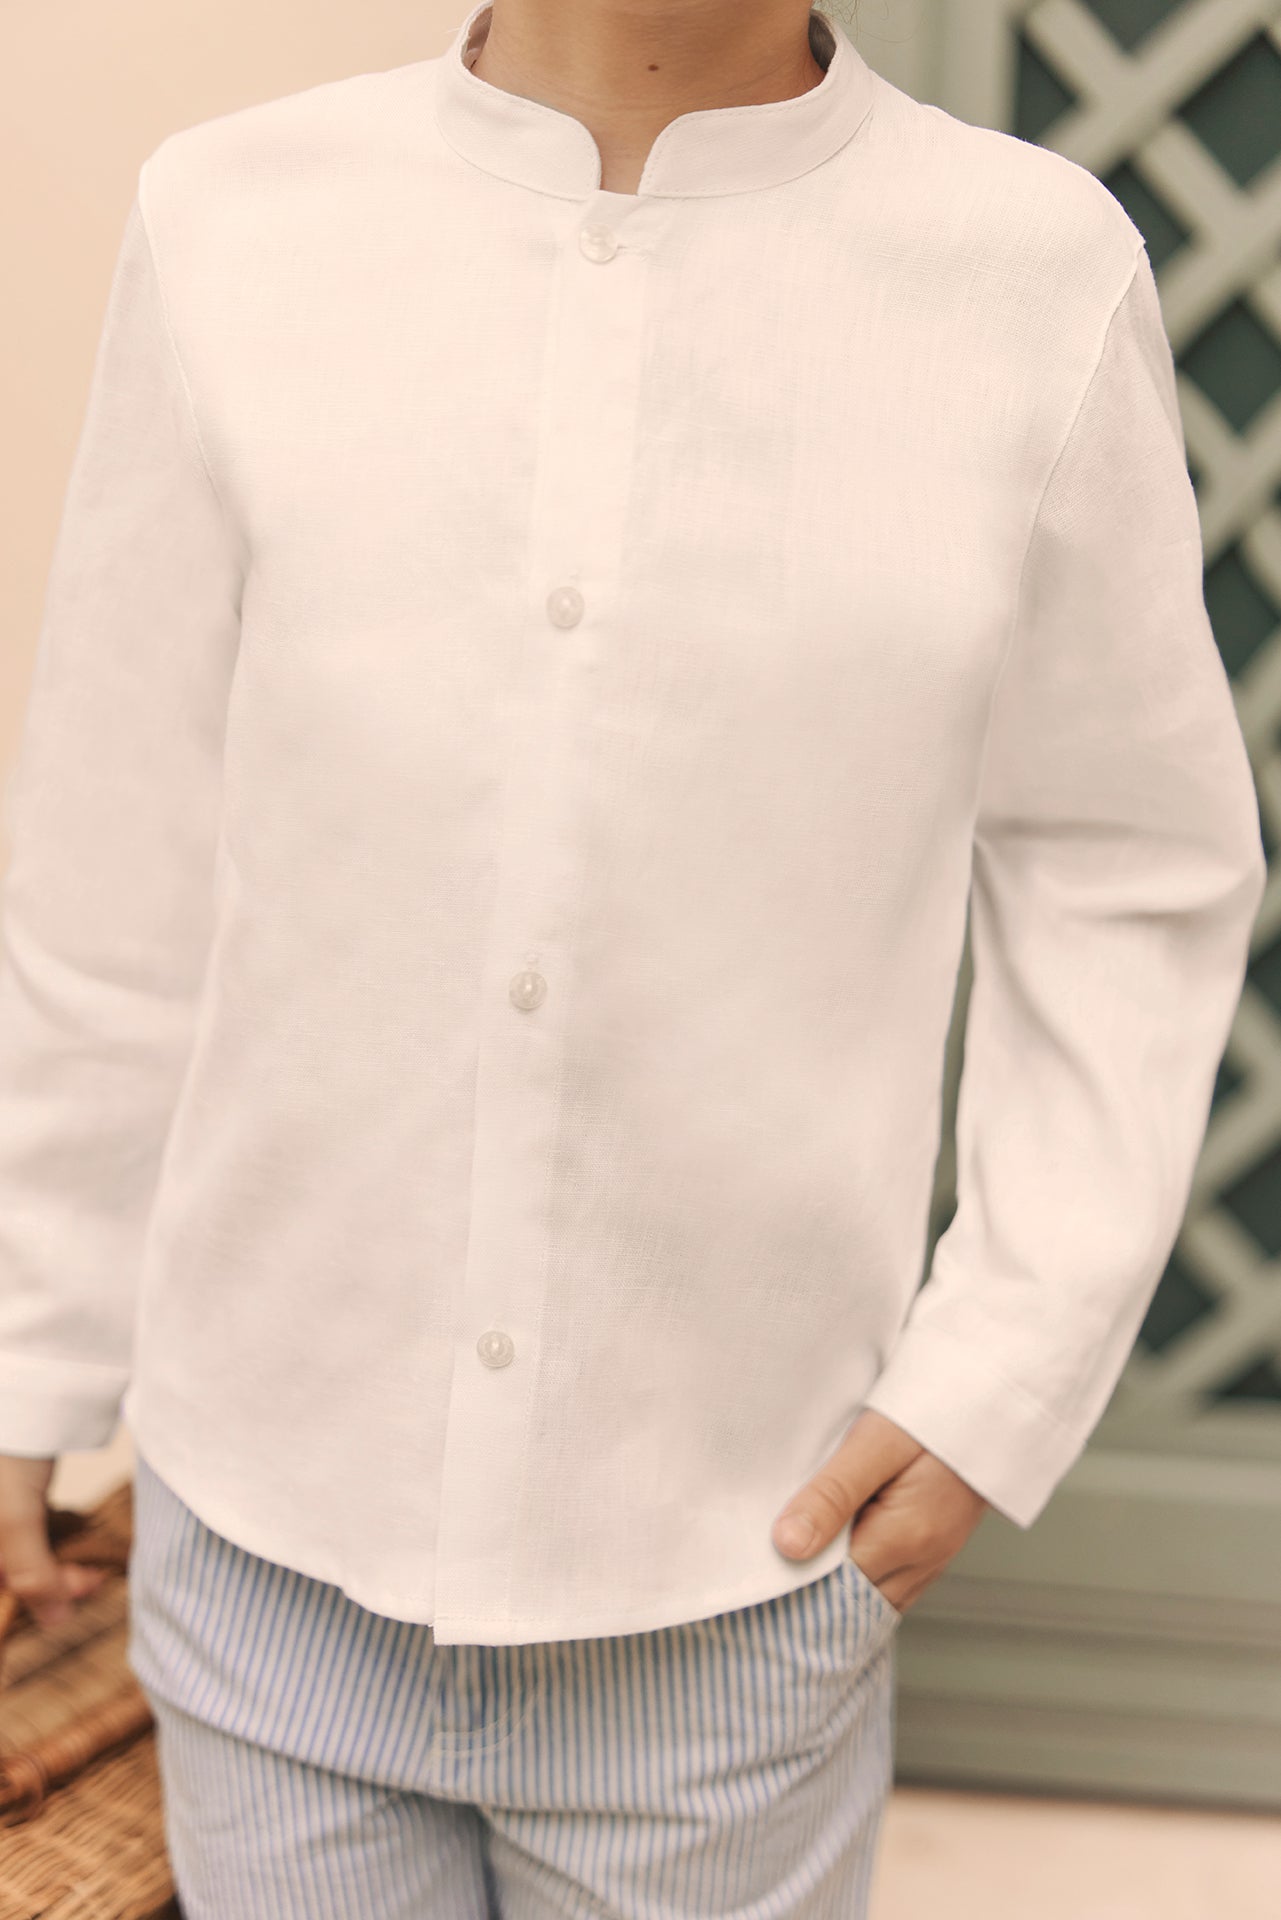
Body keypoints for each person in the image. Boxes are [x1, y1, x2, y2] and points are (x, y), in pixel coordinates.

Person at [0, 1, 1265, 1913]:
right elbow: (120, 852)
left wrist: (998, 1374)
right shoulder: (232, 218)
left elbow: (1125, 864)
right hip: (262, 1541)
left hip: (734, 1576)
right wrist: (33, 1355)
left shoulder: (1030, 269)